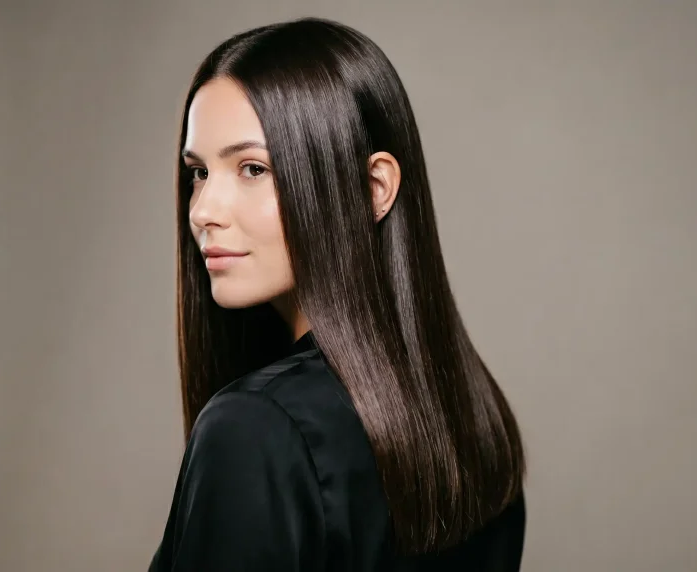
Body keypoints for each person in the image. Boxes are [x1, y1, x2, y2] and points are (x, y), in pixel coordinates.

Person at [149, 17, 526, 572]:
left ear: (374, 189)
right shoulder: (474, 412)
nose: (203, 210)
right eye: (199, 173)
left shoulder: (256, 430)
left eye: (253, 168)